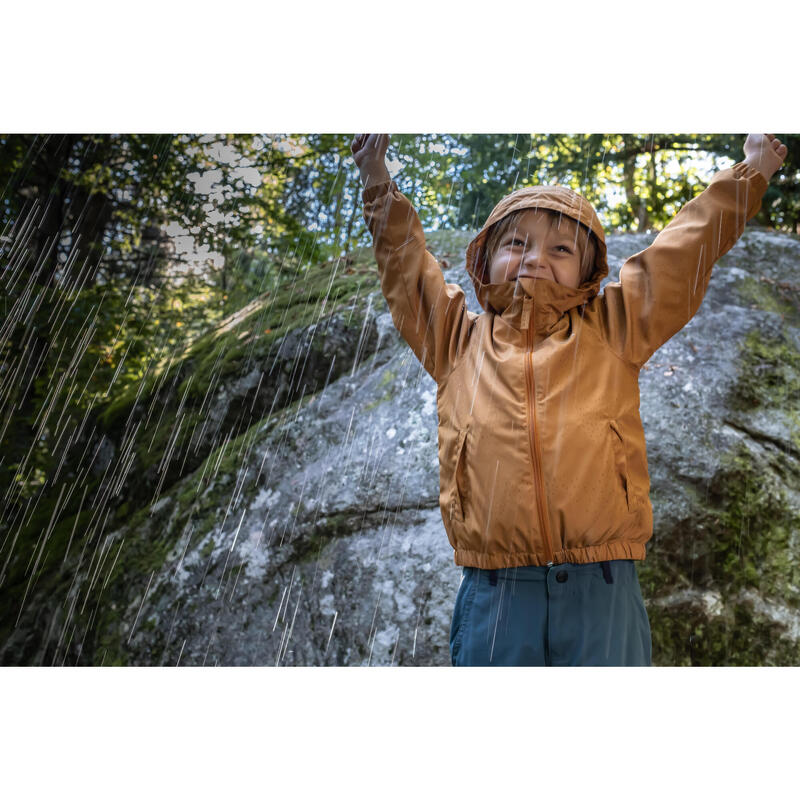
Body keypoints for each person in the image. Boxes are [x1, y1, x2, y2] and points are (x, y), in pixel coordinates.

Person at [351, 133, 788, 666]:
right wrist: (377, 178)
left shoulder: (615, 328)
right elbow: (404, 265)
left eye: (561, 249)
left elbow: (683, 250)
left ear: (588, 273)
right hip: (496, 589)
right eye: (515, 244)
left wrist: (750, 172)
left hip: (601, 585)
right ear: (484, 260)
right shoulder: (454, 341)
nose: (535, 258)